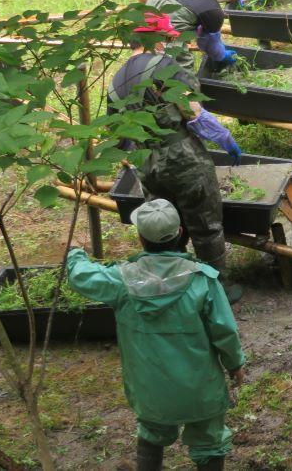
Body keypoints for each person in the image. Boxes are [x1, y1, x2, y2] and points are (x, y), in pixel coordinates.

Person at [66, 199, 246, 471]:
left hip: (151, 392)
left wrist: (75, 253)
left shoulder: (120, 281)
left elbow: (81, 276)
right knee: (209, 439)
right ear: (181, 234)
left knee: (151, 432)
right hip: (201, 390)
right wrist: (235, 365)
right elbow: (226, 331)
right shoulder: (202, 280)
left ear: (140, 237)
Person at [108, 14, 244, 302]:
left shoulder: (115, 80)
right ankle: (216, 291)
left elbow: (118, 136)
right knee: (205, 224)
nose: (168, 43)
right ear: (153, 39)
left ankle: (175, 287)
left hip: (146, 163)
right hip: (183, 158)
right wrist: (225, 139)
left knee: (167, 226)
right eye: (166, 38)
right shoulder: (165, 67)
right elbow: (192, 112)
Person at [148, 0, 243, 72]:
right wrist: (222, 55)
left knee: (149, 63)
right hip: (165, 34)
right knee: (183, 74)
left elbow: (191, 1)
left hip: (143, 20)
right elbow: (207, 44)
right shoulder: (212, 10)